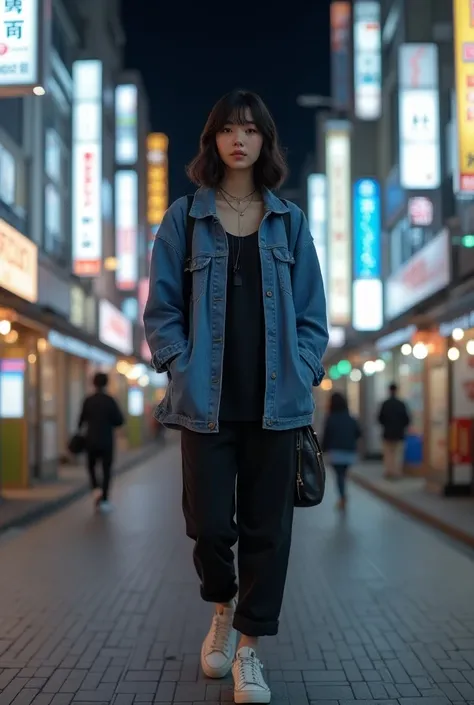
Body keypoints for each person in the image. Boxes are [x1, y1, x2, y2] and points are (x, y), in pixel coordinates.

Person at [144, 90, 328, 703]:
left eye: (251, 129)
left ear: (265, 141)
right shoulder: (184, 219)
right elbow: (162, 309)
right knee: (209, 526)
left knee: (267, 532)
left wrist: (302, 368)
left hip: (278, 407)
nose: (239, 139)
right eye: (228, 129)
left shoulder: (290, 222)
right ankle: (220, 606)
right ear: (213, 140)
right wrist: (180, 364)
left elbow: (311, 317)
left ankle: (249, 650)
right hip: (206, 404)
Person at [78, 372, 124, 512]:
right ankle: (104, 498)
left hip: (91, 440)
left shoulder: (88, 400)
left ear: (93, 383)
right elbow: (119, 421)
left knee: (91, 466)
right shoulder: (110, 400)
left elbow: (80, 421)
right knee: (106, 470)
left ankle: (95, 489)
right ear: (106, 383)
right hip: (106, 441)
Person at [322, 392, 361, 510]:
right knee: (343, 474)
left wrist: (323, 449)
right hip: (349, 452)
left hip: (336, 453)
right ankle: (343, 494)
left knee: (339, 476)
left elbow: (326, 436)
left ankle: (342, 497)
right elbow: (358, 433)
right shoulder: (351, 418)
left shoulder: (330, 418)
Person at [378, 382, 411, 479]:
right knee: (398, 454)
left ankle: (389, 471)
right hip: (399, 433)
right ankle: (397, 472)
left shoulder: (385, 404)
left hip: (387, 433)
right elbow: (407, 419)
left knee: (388, 454)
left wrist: (386, 425)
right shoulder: (401, 404)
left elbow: (380, 418)